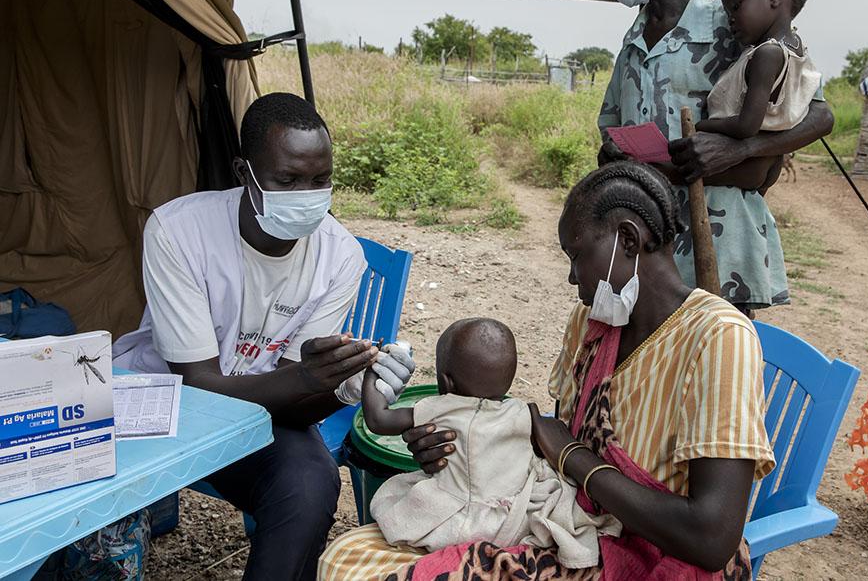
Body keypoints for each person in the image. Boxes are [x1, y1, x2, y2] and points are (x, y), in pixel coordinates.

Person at [319, 161, 774, 580]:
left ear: (629, 241)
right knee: (347, 556)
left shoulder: (718, 337)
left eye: (577, 256)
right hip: (564, 518)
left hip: (646, 554)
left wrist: (573, 456)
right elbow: (546, 450)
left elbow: (711, 540)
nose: (572, 278)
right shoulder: (594, 322)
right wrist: (463, 449)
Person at [112, 92, 416, 581]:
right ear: (243, 172)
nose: (307, 196)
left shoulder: (339, 257)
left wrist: (341, 388)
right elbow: (196, 386)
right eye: (288, 180)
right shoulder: (178, 231)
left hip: (260, 412)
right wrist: (307, 379)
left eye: (321, 180)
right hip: (166, 406)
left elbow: (292, 401)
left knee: (310, 483)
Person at [596, 0, 833, 315]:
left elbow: (819, 115)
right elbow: (611, 126)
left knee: (717, 368)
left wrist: (742, 149)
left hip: (721, 252)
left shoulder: (735, 24)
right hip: (648, 250)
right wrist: (613, 160)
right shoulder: (632, 42)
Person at [362, 317, 620, 569]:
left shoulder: (442, 409)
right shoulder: (523, 412)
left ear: (447, 381)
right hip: (515, 521)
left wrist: (372, 372)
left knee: (393, 496)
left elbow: (377, 419)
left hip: (456, 523)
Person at [696, 0, 822, 190]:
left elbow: (746, 126)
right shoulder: (795, 49)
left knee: (663, 171)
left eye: (736, 5)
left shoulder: (767, 54)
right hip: (763, 162)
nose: (729, 18)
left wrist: (701, 126)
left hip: (738, 162)